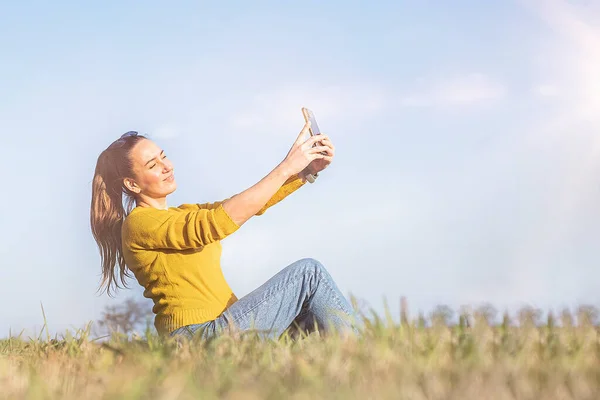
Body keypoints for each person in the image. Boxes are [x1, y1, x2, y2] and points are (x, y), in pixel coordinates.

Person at [89, 121, 361, 342]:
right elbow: (216, 222)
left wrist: (305, 171)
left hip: (224, 327)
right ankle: (366, 360)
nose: (166, 166)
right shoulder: (138, 224)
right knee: (308, 273)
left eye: (164, 157)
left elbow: (249, 205)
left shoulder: (181, 212)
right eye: (152, 165)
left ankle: (350, 373)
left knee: (308, 311)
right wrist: (286, 166)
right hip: (197, 338)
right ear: (132, 184)